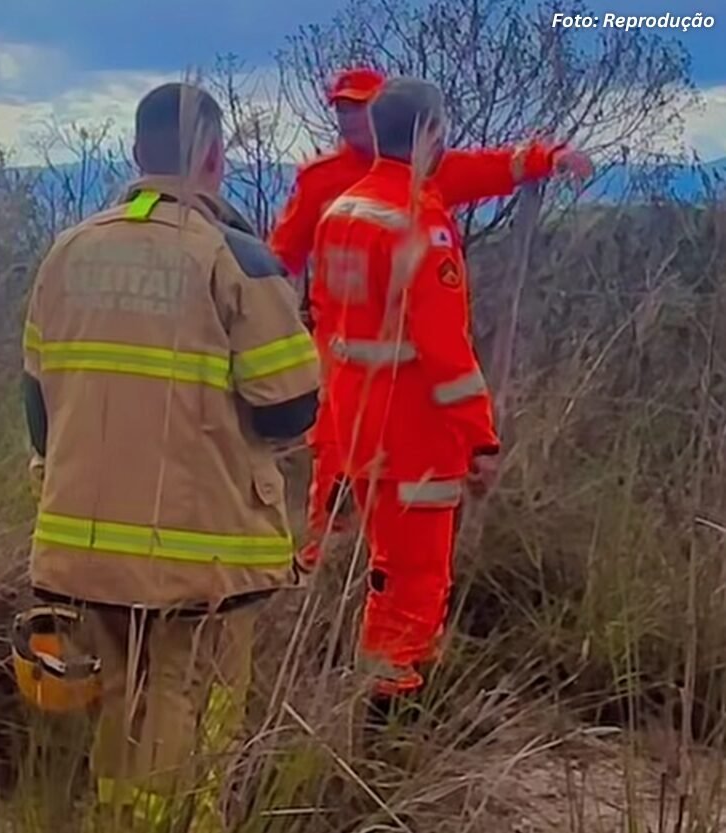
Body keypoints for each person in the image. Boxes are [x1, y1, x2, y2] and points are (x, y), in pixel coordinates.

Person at [22, 82, 320, 829]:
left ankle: (113, 818)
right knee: (187, 696)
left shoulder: (68, 251)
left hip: (84, 536)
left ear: (135, 153)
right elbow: (288, 408)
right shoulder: (237, 259)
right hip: (200, 548)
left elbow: (38, 406)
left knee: (117, 697)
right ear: (216, 157)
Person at [270, 66, 592, 570]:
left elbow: (491, 168)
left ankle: (374, 588)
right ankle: (323, 578)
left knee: (398, 512)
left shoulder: (428, 172)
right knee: (335, 491)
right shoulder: (320, 181)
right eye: (342, 108)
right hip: (340, 370)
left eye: (359, 106)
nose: (350, 118)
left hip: (407, 386)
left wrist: (547, 158)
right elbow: (280, 259)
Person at [311, 76, 513, 705]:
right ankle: (392, 708)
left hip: (356, 425)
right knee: (416, 578)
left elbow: (326, 320)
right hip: (414, 434)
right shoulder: (419, 221)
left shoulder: (341, 211)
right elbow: (445, 351)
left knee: (385, 566)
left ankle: (389, 686)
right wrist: (480, 439)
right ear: (429, 133)